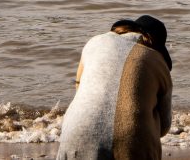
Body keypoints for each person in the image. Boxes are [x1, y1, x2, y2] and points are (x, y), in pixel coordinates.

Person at [57, 14, 172, 160]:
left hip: (76, 133)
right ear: (155, 43)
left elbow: (79, 88)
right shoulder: (158, 61)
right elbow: (164, 126)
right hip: (132, 144)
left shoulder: (95, 42)